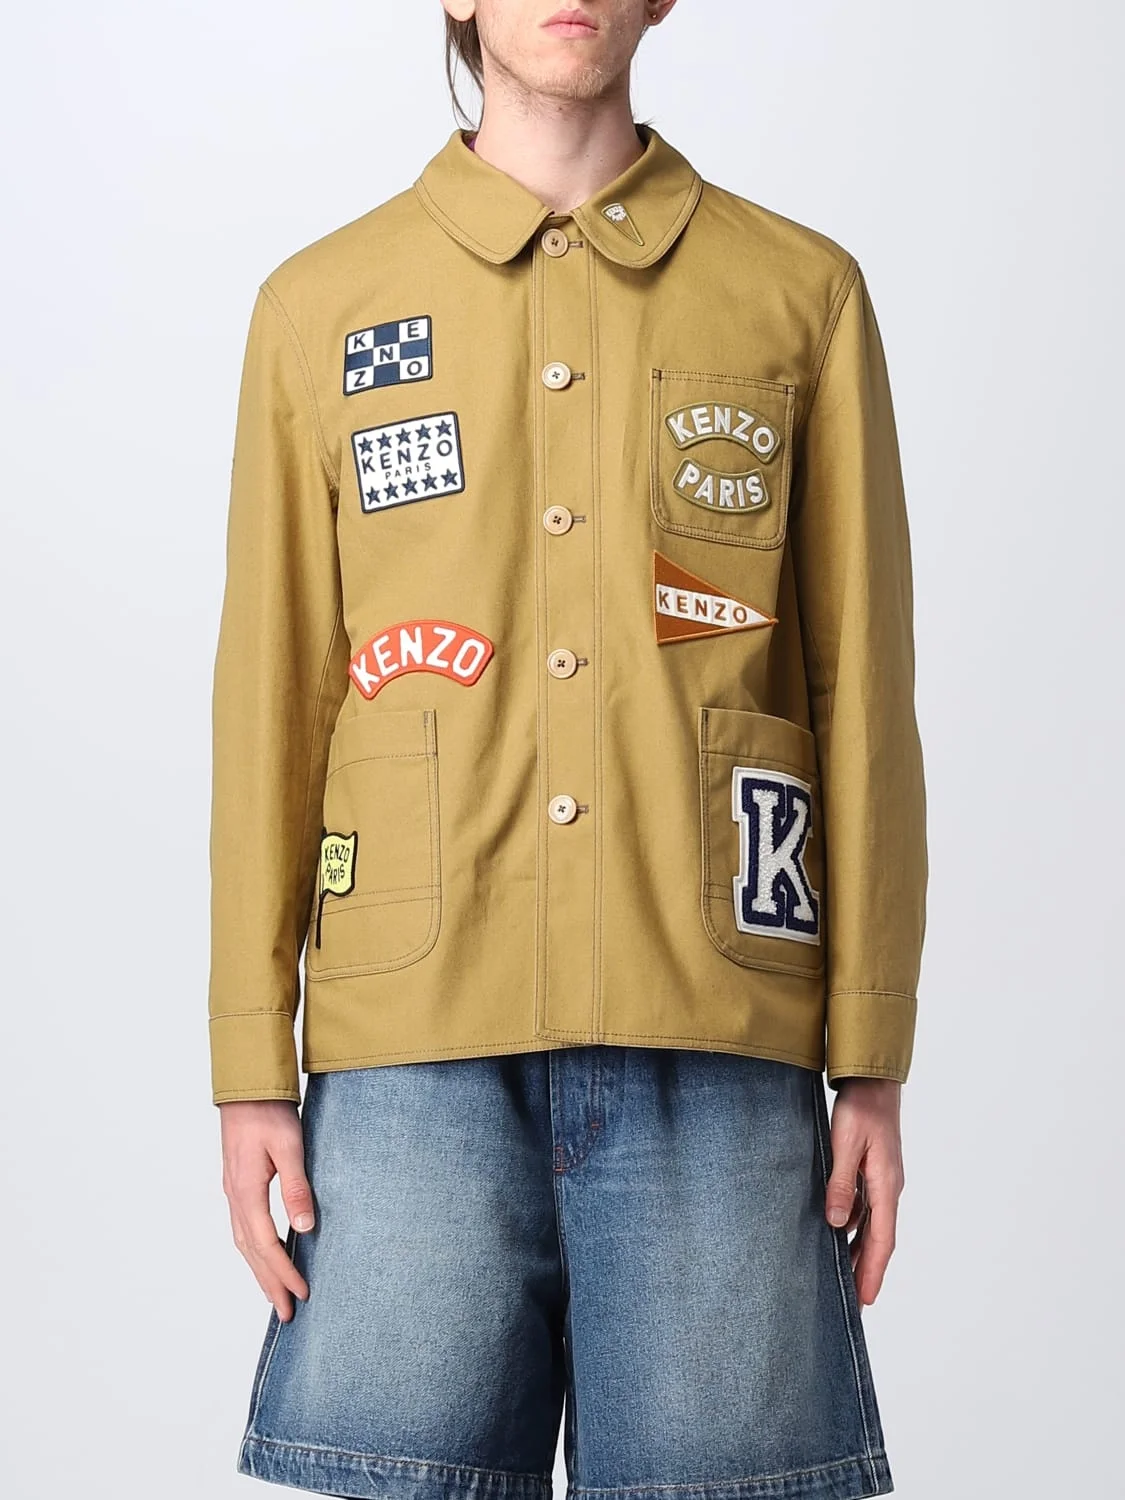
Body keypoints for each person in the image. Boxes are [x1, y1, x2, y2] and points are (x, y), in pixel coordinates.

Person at [208, 3, 928, 1497]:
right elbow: (274, 698)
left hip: (717, 1030)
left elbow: (861, 688)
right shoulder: (320, 308)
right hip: (409, 1048)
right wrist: (248, 1066)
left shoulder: (799, 295)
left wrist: (872, 1058)